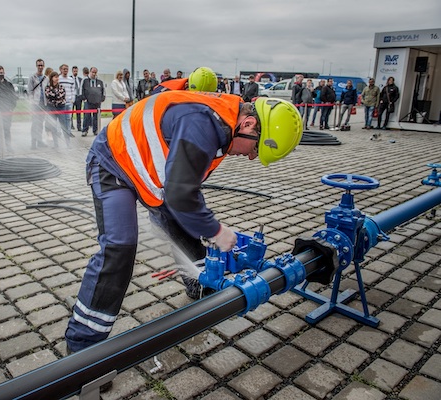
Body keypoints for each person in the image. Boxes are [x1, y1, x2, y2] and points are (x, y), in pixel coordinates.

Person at [64, 92, 303, 353]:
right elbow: (180, 194)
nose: (252, 157)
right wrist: (216, 230)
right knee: (119, 248)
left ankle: (200, 284)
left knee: (186, 229)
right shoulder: (203, 123)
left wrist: (203, 226)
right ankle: (82, 348)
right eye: (256, 148)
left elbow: (187, 184)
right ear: (248, 125)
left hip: (148, 174)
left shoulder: (224, 126)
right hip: (112, 163)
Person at [0, 65, 18, 154]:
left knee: (7, 129)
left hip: (6, 110)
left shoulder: (8, 85)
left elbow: (13, 97)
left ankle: (8, 146)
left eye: (1, 73)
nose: (0, 75)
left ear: (4, 73)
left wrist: (11, 108)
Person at [44, 71, 69, 148]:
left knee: (63, 125)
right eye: (55, 77)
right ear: (51, 78)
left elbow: (60, 96)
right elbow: (49, 96)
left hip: (61, 107)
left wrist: (55, 96)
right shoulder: (47, 87)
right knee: (53, 126)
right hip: (51, 108)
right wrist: (55, 96)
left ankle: (68, 144)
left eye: (57, 77)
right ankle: (56, 144)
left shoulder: (61, 87)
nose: (57, 78)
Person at [28, 58, 48, 148]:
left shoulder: (46, 78)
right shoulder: (32, 77)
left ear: (43, 66)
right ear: (36, 66)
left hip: (43, 103)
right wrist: (32, 102)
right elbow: (30, 91)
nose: (40, 67)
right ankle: (33, 142)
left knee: (40, 123)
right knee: (35, 123)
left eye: (41, 65)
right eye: (38, 65)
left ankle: (39, 141)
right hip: (35, 104)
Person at [81, 67, 105, 137]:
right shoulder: (85, 80)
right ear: (90, 72)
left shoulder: (100, 82)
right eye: (92, 72)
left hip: (97, 102)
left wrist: (102, 98)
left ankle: (95, 130)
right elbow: (81, 89)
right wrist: (83, 98)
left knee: (96, 117)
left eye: (95, 72)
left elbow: (103, 90)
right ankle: (85, 130)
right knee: (87, 116)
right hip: (88, 102)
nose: (94, 74)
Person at [58, 64, 75, 138]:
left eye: (67, 69)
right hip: (61, 103)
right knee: (61, 119)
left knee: (68, 118)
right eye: (64, 69)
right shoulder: (58, 79)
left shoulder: (71, 80)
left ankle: (68, 132)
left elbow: (73, 90)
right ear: (61, 70)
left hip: (69, 102)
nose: (65, 70)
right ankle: (61, 132)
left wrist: (72, 99)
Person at [71, 66, 84, 131]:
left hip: (78, 97)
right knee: (71, 112)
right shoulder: (70, 78)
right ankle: (71, 125)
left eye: (76, 71)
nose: (75, 72)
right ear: (72, 71)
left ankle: (79, 126)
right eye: (74, 71)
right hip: (72, 97)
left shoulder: (80, 79)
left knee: (78, 112)